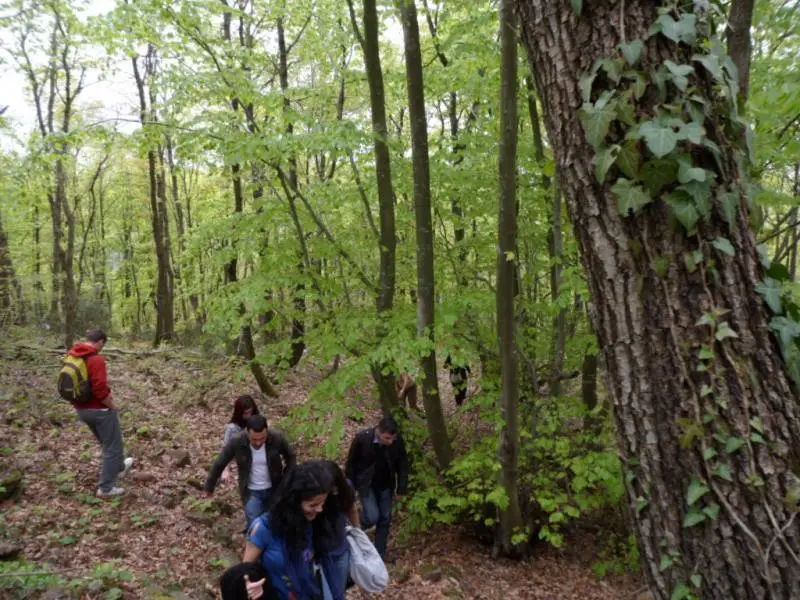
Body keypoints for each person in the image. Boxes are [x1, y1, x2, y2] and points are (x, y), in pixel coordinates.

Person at [220, 461, 334, 600]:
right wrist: (251, 587)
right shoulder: (262, 528)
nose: (320, 509)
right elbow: (245, 572)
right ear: (294, 500)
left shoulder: (311, 521)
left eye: (323, 503)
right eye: (313, 505)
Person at [67, 329, 133, 498]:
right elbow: (100, 388)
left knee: (108, 442)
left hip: (82, 410)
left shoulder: (73, 355)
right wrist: (111, 405)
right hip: (100, 411)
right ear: (101, 342)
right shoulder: (96, 359)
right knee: (114, 447)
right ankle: (106, 488)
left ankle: (119, 467)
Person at [205, 414, 296, 526]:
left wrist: (287, 478)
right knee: (255, 527)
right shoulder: (237, 442)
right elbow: (220, 463)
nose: (258, 443)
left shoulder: (277, 438)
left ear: (267, 432)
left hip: (275, 489)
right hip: (252, 492)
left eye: (262, 438)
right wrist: (209, 487)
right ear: (247, 432)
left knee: (275, 524)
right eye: (254, 439)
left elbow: (291, 456)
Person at [345, 415, 408, 560]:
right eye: (387, 438)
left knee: (385, 518)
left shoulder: (397, 442)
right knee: (373, 516)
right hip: (366, 484)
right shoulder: (363, 438)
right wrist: (350, 486)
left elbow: (403, 464)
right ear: (379, 432)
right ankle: (355, 527)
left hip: (386, 484)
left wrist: (401, 488)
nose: (390, 442)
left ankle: (380, 553)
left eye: (393, 438)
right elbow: (351, 464)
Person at [310, 460, 359, 600]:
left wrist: (358, 532)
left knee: (339, 591)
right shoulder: (315, 494)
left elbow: (352, 508)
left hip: (341, 548)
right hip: (320, 552)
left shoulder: (346, 488)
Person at [222, 395, 260, 483]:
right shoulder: (233, 428)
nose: (249, 416)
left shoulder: (258, 420)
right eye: (246, 413)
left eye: (251, 412)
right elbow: (226, 450)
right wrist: (225, 470)